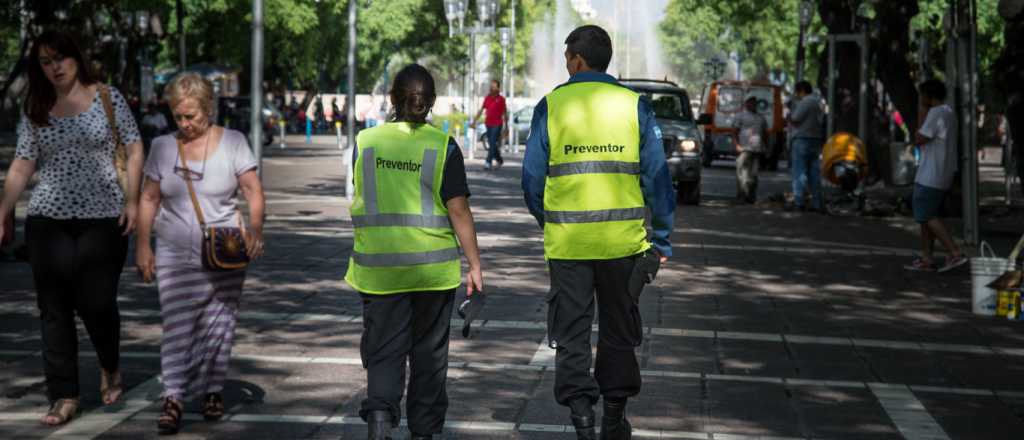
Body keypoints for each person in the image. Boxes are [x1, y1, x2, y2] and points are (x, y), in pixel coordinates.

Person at [521, 25, 675, 440]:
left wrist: (551, 221)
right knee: (618, 333)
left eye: (566, 57)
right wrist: (661, 241)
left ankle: (583, 421)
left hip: (569, 245)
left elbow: (532, 181)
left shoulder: (551, 105)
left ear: (577, 60)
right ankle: (613, 417)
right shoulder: (633, 105)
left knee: (570, 334)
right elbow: (658, 178)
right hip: (623, 245)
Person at [0, 30, 143, 426]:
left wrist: (132, 200)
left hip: (103, 215)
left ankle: (110, 364)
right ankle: (64, 395)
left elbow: (133, 147)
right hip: (48, 218)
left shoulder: (106, 97)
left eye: (60, 58)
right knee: (54, 308)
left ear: (76, 58)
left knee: (96, 301)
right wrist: (3, 209)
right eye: (45, 62)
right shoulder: (36, 105)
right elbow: (22, 163)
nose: (55, 67)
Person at [344, 64, 483, 440]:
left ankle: (379, 424)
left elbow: (359, 192)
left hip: (379, 270)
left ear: (393, 99)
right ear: (431, 102)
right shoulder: (443, 146)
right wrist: (474, 265)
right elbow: (458, 210)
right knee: (429, 358)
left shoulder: (367, 142)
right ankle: (423, 433)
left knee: (384, 353)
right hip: (432, 273)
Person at [135, 72, 266, 435]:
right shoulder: (163, 147)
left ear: (209, 108)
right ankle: (173, 396)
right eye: (178, 116)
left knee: (219, 323)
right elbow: (148, 198)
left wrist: (255, 229)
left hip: (224, 250)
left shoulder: (234, 142)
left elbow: (253, 191)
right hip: (175, 249)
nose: (185, 123)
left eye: (191, 115)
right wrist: (143, 246)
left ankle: (212, 389)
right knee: (177, 324)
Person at [904, 79, 967, 273]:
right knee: (926, 217)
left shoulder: (935, 113)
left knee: (928, 216)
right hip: (943, 172)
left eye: (922, 95)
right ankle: (927, 258)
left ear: (928, 97)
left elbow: (919, 138)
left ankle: (955, 253)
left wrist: (922, 110)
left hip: (930, 174)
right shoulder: (949, 112)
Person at [787, 81, 825, 213]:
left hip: (802, 139)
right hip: (815, 140)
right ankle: (817, 203)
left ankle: (799, 202)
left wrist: (789, 116)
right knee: (814, 173)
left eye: (797, 91)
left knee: (799, 172)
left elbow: (796, 119)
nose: (797, 94)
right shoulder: (818, 102)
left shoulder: (806, 102)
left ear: (802, 90)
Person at [733, 96, 769, 203]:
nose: (753, 105)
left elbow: (766, 134)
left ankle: (751, 197)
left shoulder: (761, 118)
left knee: (754, 175)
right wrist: (737, 145)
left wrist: (767, 147)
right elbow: (734, 131)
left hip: (757, 150)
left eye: (755, 103)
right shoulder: (740, 116)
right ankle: (741, 197)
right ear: (746, 103)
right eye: (751, 102)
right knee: (742, 175)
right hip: (744, 149)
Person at [472, 79, 507, 170]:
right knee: (492, 144)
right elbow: (481, 110)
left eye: (494, 86)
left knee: (492, 142)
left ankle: (488, 162)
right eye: (491, 86)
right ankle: (499, 159)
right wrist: (474, 121)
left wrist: (506, 128)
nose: (492, 88)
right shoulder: (487, 98)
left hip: (497, 124)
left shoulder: (501, 99)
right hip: (488, 124)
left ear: (498, 88)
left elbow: (505, 113)